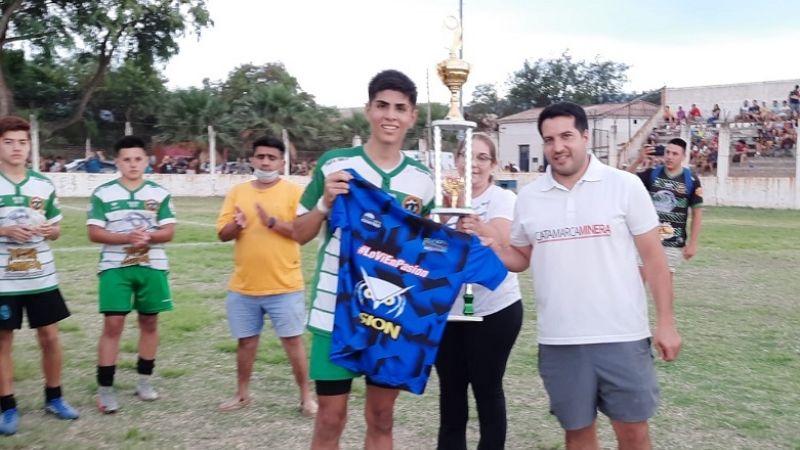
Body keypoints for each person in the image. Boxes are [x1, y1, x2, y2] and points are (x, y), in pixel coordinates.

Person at [480, 102, 681, 450]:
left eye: (566, 136)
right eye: (549, 139)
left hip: (622, 335)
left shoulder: (625, 185)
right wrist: (493, 248)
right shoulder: (528, 198)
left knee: (633, 434)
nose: (558, 147)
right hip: (561, 341)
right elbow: (521, 257)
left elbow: (654, 258)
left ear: (585, 136)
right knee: (577, 435)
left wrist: (666, 322)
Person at [291, 69, 435, 450]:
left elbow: (424, 247)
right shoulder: (335, 165)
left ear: (412, 116)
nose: (391, 115)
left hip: (389, 313)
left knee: (382, 418)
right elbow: (299, 233)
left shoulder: (422, 179)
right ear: (369, 109)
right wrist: (325, 203)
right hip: (334, 311)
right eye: (382, 105)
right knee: (330, 417)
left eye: (400, 108)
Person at [215, 136, 317, 416]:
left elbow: (303, 233)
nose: (265, 162)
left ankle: (306, 397)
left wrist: (271, 222)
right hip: (244, 286)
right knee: (246, 342)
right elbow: (222, 234)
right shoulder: (238, 192)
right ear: (251, 160)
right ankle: (242, 394)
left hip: (285, 284)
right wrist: (236, 226)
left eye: (271, 158)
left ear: (282, 162)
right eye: (260, 157)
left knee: (293, 341)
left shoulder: (295, 193)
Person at [434, 133, 522, 450]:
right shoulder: (439, 200)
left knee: (487, 389)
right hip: (447, 311)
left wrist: (475, 224)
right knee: (451, 393)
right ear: (456, 161)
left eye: (482, 157)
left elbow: (502, 239)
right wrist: (445, 219)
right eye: (466, 155)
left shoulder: (502, 199)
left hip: (495, 310)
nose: (473, 163)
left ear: (493, 165)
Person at [0, 116, 79, 436]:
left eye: (22, 142)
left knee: (50, 337)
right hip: (4, 280)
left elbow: (57, 230)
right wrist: (4, 229)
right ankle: (7, 406)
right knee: (3, 340)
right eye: (9, 142)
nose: (16, 148)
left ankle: (55, 398)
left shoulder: (43, 184)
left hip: (40, 276)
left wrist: (50, 229)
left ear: (30, 146)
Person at [87, 135, 176, 413]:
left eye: (138, 159)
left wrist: (147, 237)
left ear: (147, 161)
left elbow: (169, 231)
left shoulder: (159, 193)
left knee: (149, 323)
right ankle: (105, 390)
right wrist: (127, 237)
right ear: (117, 162)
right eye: (126, 159)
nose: (133, 164)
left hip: (152, 266)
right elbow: (94, 232)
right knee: (113, 324)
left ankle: (144, 381)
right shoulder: (103, 193)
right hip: (115, 266)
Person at [627, 138, 704, 276]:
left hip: (673, 242)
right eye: (667, 152)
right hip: (648, 238)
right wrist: (638, 160)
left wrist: (693, 243)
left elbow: (697, 213)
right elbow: (624, 179)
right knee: (637, 284)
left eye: (675, 154)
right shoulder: (652, 173)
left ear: (683, 156)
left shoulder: (691, 180)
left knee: (664, 289)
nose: (669, 156)